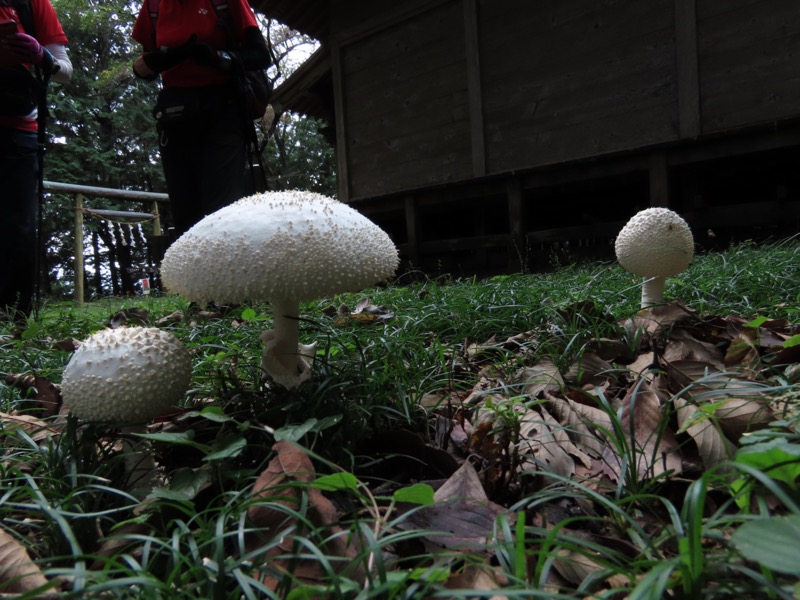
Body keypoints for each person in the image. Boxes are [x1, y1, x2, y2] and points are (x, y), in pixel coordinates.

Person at [131, 0, 271, 241]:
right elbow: (143, 67)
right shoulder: (154, 7)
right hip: (175, 117)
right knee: (187, 220)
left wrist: (218, 57)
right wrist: (160, 61)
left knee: (221, 214)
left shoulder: (226, 3)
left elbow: (260, 55)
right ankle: (191, 276)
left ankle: (227, 274)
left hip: (223, 112)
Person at [0, 0, 72, 320]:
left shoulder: (32, 5)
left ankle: (17, 318)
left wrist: (41, 56)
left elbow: (65, 71)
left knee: (19, 227)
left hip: (18, 128)